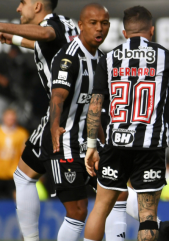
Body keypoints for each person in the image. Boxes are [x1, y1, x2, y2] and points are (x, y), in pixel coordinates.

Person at [83, 5, 169, 241]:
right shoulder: (166, 57)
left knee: (100, 208)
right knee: (147, 215)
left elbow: (94, 106)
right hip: (150, 145)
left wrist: (92, 145)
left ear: (124, 33)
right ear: (151, 31)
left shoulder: (109, 58)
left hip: (115, 143)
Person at [47, 3, 132, 241]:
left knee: (119, 194)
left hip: (92, 142)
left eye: (104, 23)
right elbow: (58, 97)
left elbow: (96, 109)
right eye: (93, 23)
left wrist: (104, 138)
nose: (100, 28)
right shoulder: (68, 57)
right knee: (78, 211)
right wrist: (54, 126)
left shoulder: (103, 60)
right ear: (81, 25)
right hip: (64, 141)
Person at [0, 1, 79, 240]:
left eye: (22, 3)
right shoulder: (66, 23)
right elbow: (43, 43)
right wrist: (12, 39)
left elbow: (45, 33)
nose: (17, 9)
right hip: (79, 110)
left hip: (64, 115)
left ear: (36, 6)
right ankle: (153, 223)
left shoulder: (50, 25)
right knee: (23, 175)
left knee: (79, 209)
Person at [0, 108, 28, 199]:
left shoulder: (21, 133)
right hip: (1, 171)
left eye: (12, 118)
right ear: (3, 118)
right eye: (8, 118)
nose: (10, 120)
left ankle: (17, 212)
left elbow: (24, 153)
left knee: (16, 196)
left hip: (14, 172)